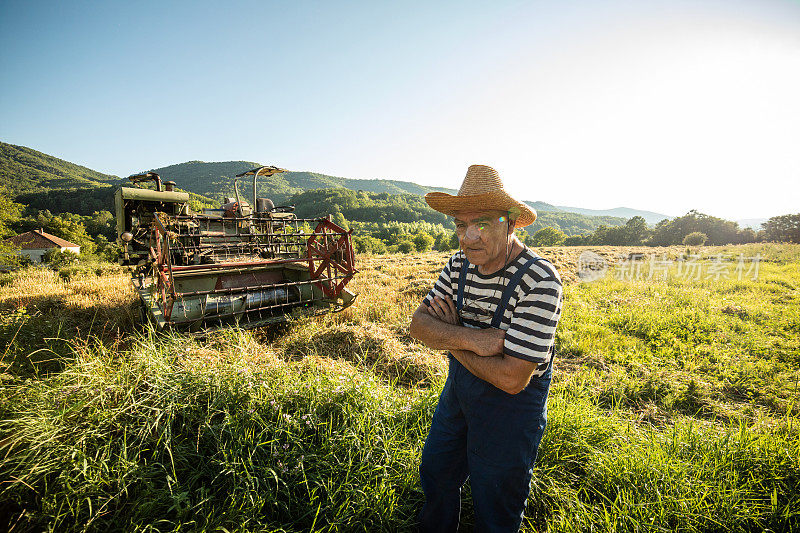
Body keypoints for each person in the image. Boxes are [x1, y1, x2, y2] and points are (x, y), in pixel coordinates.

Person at [409, 164, 563, 532]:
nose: (468, 237)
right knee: (436, 469)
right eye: (461, 225)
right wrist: (475, 340)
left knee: (495, 497)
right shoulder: (459, 264)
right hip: (459, 391)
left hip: (511, 408)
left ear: (511, 224)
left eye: (482, 223)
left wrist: (447, 335)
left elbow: (512, 378)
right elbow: (417, 324)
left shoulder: (539, 280)